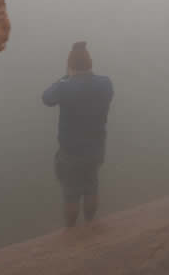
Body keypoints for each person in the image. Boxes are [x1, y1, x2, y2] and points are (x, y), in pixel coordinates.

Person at [42, 42, 114, 227]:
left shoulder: (64, 87)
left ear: (71, 66)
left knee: (71, 194)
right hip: (96, 148)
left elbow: (46, 98)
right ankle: (90, 224)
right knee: (91, 188)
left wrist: (66, 76)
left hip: (71, 152)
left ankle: (71, 233)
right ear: (90, 63)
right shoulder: (105, 84)